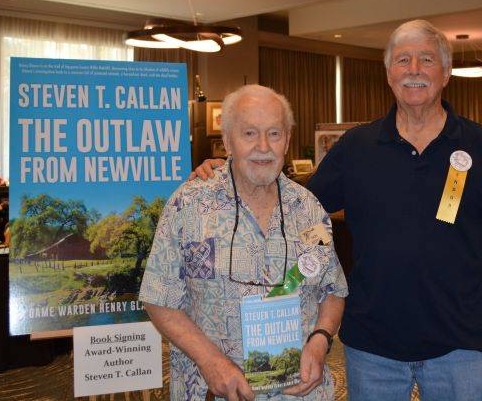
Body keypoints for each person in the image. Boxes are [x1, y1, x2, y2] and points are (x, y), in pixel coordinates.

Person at [193, 19, 482, 400]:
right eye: (402, 60)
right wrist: (230, 170)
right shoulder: (356, 147)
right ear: (388, 73)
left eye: (426, 60)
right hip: (372, 346)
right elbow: (295, 205)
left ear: (446, 72)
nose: (413, 70)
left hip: (462, 346)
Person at [140, 85, 348, 401]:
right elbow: (158, 298)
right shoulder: (190, 206)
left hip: (300, 392)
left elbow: (331, 289)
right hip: (216, 390)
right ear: (227, 141)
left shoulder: (309, 211)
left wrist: (321, 341)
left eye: (274, 134)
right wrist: (210, 361)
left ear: (288, 140)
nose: (262, 146)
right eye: (249, 133)